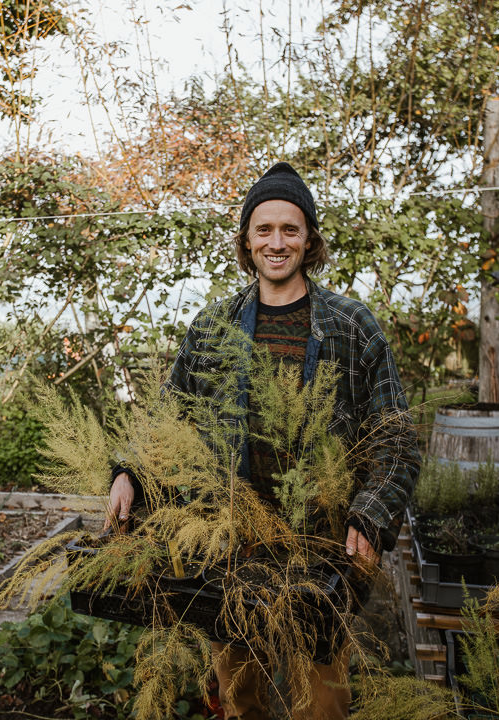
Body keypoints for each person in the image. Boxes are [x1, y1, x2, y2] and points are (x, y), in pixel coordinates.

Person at [106, 161, 421, 719]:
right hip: (233, 545)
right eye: (264, 230)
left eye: (290, 229)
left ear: (309, 240)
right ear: (247, 241)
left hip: (321, 550)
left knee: (320, 701)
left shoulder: (352, 327)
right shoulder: (213, 328)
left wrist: (370, 515)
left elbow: (396, 439)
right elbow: (167, 415)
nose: (277, 243)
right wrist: (129, 471)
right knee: (239, 695)